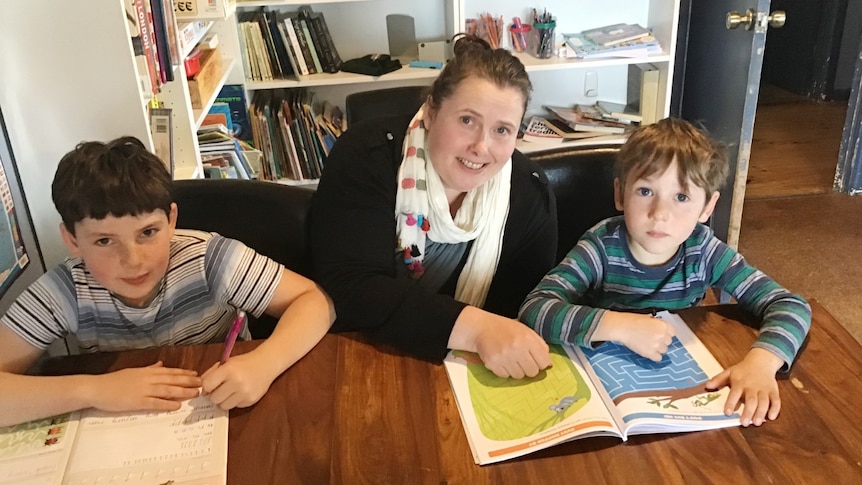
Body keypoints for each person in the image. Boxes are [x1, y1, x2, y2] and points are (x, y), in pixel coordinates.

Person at [0, 137, 335, 426]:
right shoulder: (64, 290)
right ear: (72, 240)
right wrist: (94, 390)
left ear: (171, 220)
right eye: (104, 241)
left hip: (220, 403)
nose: (133, 260)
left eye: (148, 232)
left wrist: (265, 363)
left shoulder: (208, 258)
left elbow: (316, 302)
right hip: (123, 418)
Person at [519, 117, 811, 427]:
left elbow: (789, 305)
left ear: (707, 208)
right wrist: (617, 325)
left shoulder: (705, 251)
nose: (660, 214)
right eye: (645, 191)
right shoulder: (601, 247)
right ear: (620, 194)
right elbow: (535, 309)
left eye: (682, 197)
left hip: (681, 380)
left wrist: (762, 363)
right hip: (603, 382)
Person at [311, 35, 557, 379]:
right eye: (467, 121)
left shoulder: (530, 192)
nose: (481, 147)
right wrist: (478, 328)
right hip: (359, 350)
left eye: (502, 130)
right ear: (430, 112)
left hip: (465, 368)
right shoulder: (366, 155)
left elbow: (523, 305)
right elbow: (352, 287)